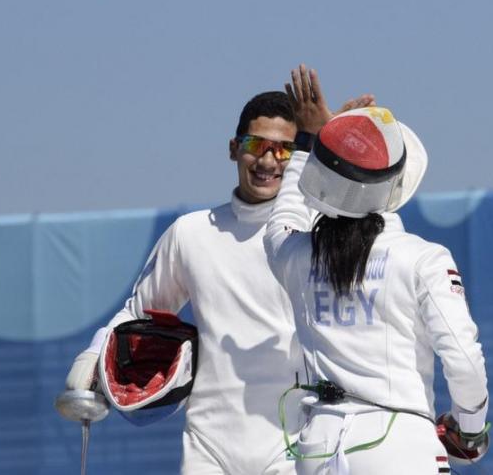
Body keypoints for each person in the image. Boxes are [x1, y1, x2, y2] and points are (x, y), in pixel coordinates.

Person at [63, 84, 371, 475]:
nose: (269, 160)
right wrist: (93, 353)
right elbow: (137, 315)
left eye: (283, 150)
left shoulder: (315, 234)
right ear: (232, 148)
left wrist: (337, 151)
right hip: (208, 447)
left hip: (294, 444)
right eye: (257, 145)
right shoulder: (191, 234)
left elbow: (373, 223)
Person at [264, 68, 490, 475]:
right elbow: (463, 360)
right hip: (398, 445)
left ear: (324, 181)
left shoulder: (295, 255)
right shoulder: (424, 258)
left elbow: (282, 220)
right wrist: (470, 432)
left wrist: (309, 143)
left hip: (318, 447)